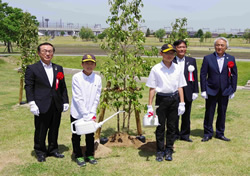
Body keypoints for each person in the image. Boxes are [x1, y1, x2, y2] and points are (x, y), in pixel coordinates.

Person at [25, 42, 69, 162]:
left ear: (53, 53)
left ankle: (53, 149)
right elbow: (29, 87)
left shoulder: (58, 68)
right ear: (39, 53)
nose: (48, 53)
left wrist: (65, 101)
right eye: (44, 51)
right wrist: (32, 103)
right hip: (41, 104)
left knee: (54, 128)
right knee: (41, 129)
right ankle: (40, 151)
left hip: (56, 103)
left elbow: (63, 87)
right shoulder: (32, 68)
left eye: (50, 51)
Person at [146, 44, 187, 162]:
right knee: (160, 126)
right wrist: (149, 105)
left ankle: (169, 149)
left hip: (174, 99)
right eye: (167, 53)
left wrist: (182, 102)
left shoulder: (177, 68)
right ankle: (159, 150)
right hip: (161, 100)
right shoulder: (156, 69)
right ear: (161, 54)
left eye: (172, 53)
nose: (169, 55)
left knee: (172, 126)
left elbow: (180, 86)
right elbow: (152, 88)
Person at [200, 37, 237, 142]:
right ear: (214, 46)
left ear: (226, 47)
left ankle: (220, 133)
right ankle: (207, 133)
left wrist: (233, 89)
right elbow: (203, 75)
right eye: (217, 45)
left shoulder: (231, 59)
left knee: (222, 113)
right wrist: (203, 89)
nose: (219, 47)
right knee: (209, 113)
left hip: (225, 91)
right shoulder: (208, 58)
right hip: (211, 89)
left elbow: (234, 75)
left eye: (222, 45)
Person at [70, 54, 102, 167]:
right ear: (82, 64)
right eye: (86, 63)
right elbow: (78, 97)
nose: (89, 66)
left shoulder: (97, 78)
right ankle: (78, 154)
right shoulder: (76, 77)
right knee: (76, 135)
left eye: (91, 63)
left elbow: (97, 96)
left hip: (90, 112)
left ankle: (89, 154)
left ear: (95, 65)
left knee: (90, 134)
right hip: (78, 112)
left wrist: (92, 112)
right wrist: (84, 113)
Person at [173, 40, 199, 142]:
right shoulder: (171, 60)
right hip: (174, 91)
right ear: (175, 48)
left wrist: (195, 91)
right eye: (179, 47)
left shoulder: (191, 61)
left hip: (188, 91)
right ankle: (174, 134)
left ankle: (185, 134)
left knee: (186, 115)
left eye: (184, 47)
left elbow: (195, 77)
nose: (182, 49)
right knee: (174, 115)